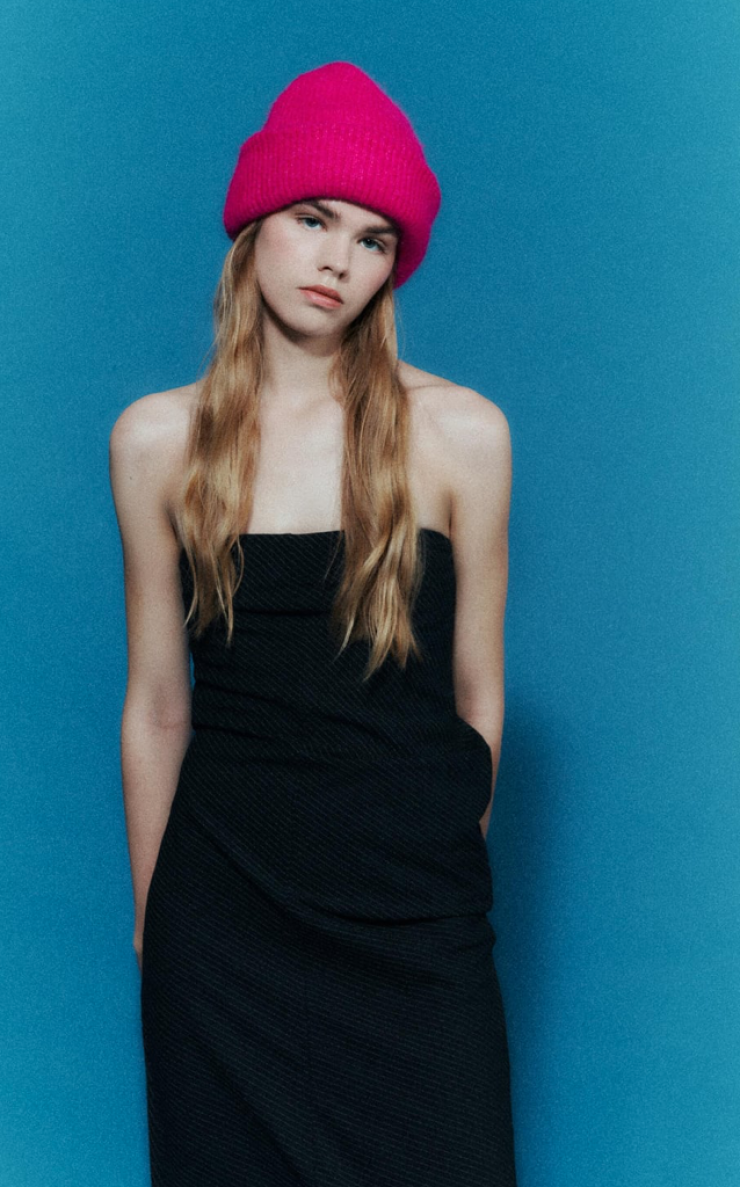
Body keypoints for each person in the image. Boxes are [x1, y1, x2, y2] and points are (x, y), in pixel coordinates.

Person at [109, 60, 517, 1187]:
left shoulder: (462, 435)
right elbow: (157, 704)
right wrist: (154, 926)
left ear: (394, 265)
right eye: (313, 218)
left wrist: (436, 872)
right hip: (223, 913)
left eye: (373, 238)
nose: (339, 258)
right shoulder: (157, 441)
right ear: (254, 226)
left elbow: (476, 694)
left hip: (410, 910)